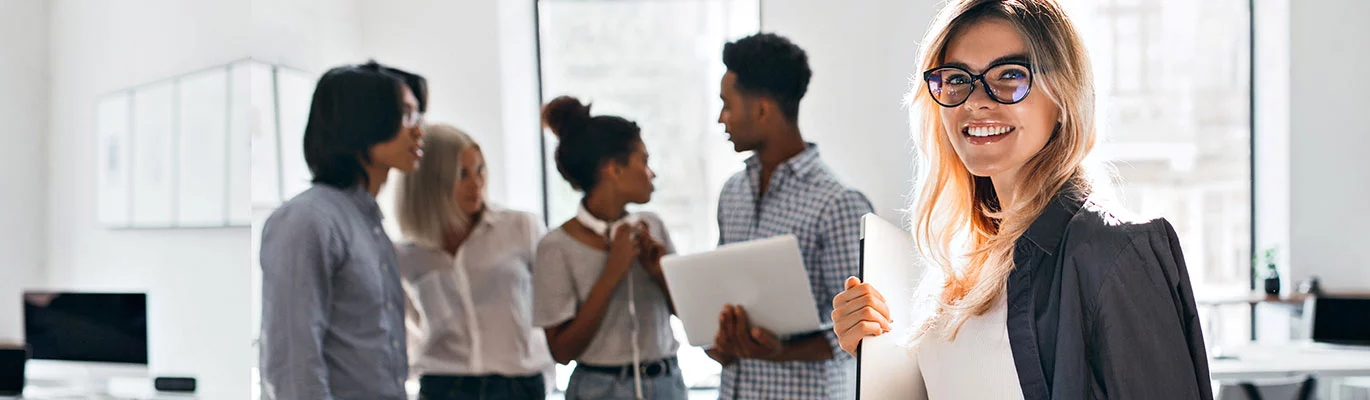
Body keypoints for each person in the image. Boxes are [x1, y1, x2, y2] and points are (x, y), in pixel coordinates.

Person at [832, 1, 1212, 399]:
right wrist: (874, 350)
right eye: (957, 79)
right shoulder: (962, 265)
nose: (976, 101)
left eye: (1010, 75)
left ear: (1063, 96)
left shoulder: (1115, 250)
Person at [710, 32, 874, 400]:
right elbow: (723, 290)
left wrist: (780, 351)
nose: (722, 118)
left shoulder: (837, 203)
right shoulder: (732, 193)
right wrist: (720, 337)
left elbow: (858, 329)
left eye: (727, 104)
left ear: (762, 110)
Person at [258, 61, 427, 400]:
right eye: (406, 115)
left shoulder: (370, 223)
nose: (419, 130)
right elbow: (293, 365)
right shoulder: (308, 220)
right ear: (363, 121)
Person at [531, 96, 687, 400]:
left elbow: (689, 314)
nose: (651, 173)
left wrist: (658, 271)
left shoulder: (652, 228)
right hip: (599, 390)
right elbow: (562, 352)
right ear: (614, 169)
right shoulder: (556, 246)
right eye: (644, 160)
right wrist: (612, 272)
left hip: (668, 384)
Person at [394, 123, 554, 399]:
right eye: (462, 175)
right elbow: (399, 329)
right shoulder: (407, 254)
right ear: (433, 182)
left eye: (480, 170)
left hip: (517, 385)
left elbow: (554, 302)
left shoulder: (520, 227)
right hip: (443, 387)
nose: (477, 183)